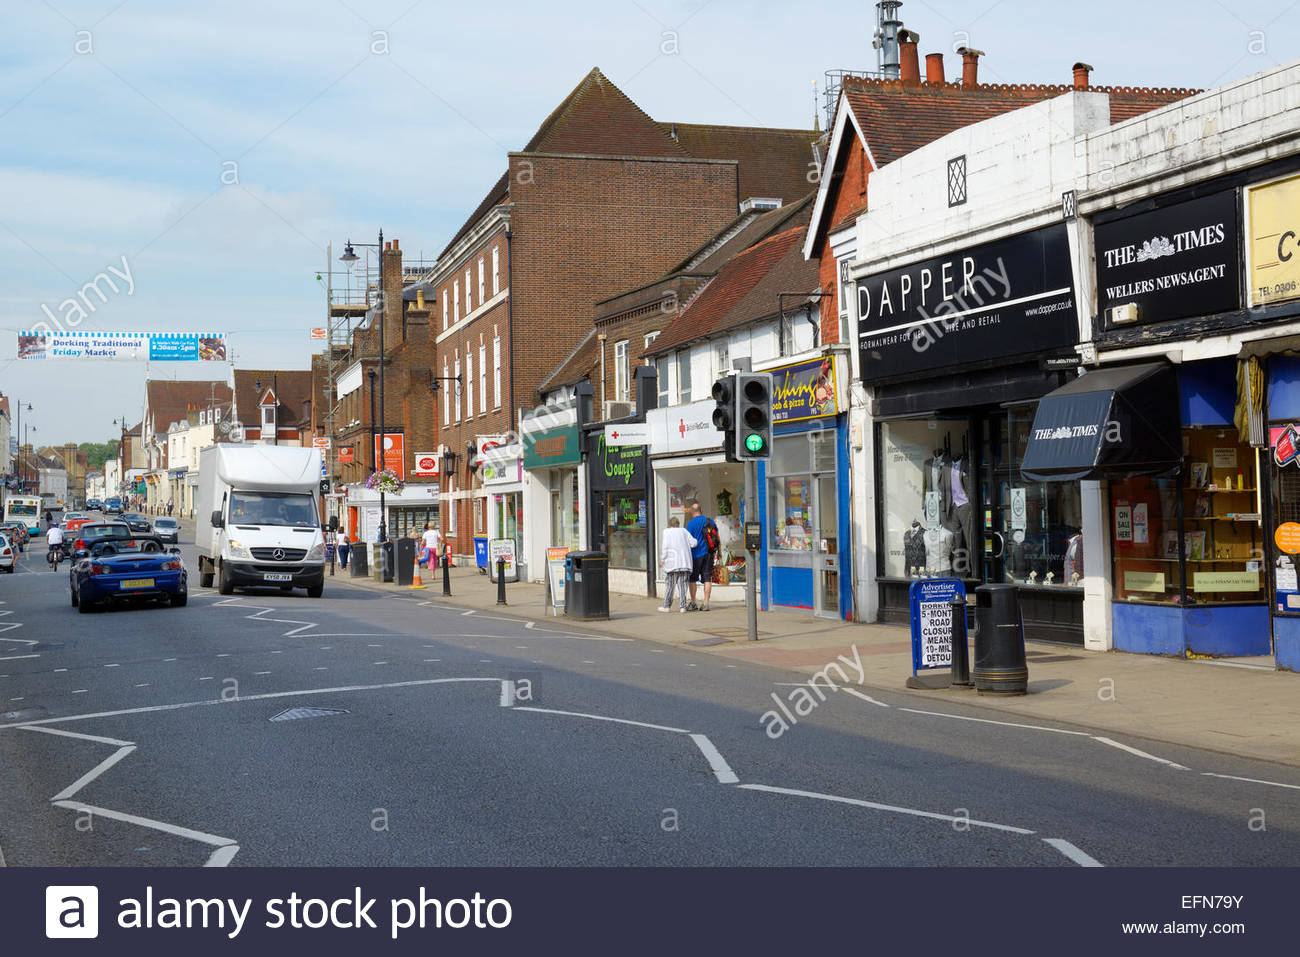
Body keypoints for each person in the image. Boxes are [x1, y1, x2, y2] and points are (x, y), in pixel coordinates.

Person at [685, 500, 719, 611]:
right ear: (701, 510)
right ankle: (706, 603)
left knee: (692, 579)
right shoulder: (710, 521)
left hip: (695, 555)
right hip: (709, 554)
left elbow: (687, 541)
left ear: (692, 512)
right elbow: (717, 537)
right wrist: (719, 552)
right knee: (707, 578)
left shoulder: (690, 524)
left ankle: (693, 602)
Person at [658, 516, 696, 613]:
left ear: (669, 524)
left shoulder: (666, 532)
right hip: (684, 563)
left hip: (672, 564)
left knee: (670, 586)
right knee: (683, 586)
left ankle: (666, 606)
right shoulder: (684, 531)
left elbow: (665, 547)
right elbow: (694, 543)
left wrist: (662, 559)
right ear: (678, 524)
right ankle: (683, 607)